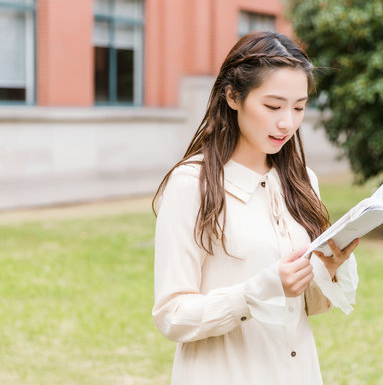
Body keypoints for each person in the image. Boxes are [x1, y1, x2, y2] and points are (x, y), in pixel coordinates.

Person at [152, 31, 359, 385]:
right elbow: (173, 316)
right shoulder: (192, 184)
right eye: (273, 106)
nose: (287, 123)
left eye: (299, 107)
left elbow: (309, 308)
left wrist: (328, 268)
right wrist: (260, 289)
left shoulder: (301, 180)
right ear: (233, 96)